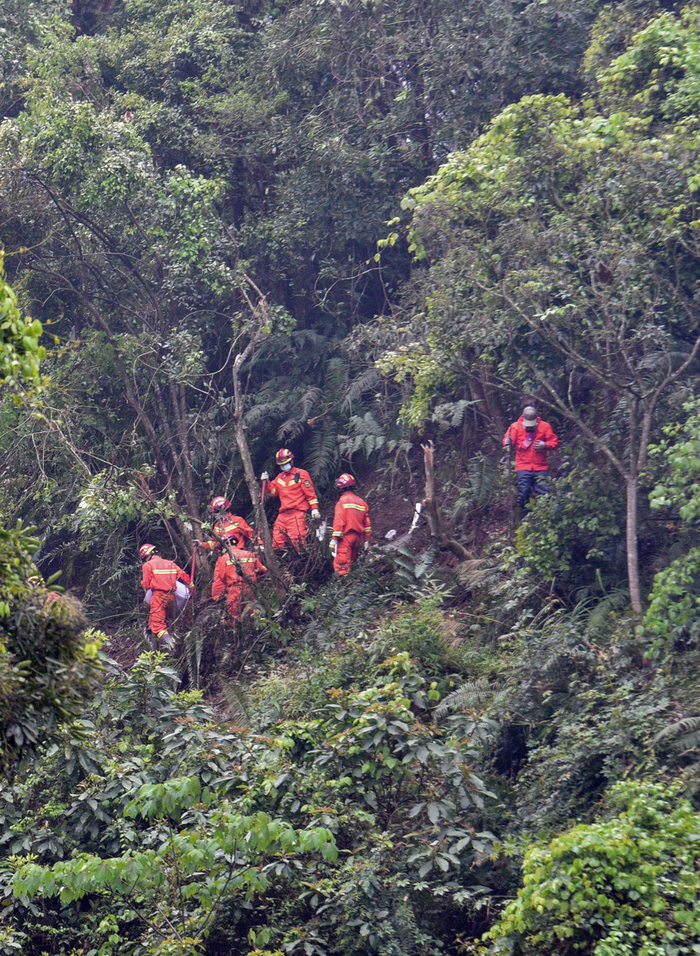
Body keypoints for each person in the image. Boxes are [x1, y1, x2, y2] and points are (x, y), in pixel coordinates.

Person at [261, 448, 320, 550]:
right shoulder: (280, 478)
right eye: (281, 465)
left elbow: (310, 493)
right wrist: (266, 483)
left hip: (297, 514)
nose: (284, 466)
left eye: (285, 463)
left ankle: (303, 562)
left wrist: (315, 508)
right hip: (283, 515)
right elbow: (273, 493)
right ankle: (279, 563)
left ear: (291, 461)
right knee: (277, 542)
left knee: (298, 541)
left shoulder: (301, 474)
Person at [503, 405, 559, 511]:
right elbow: (508, 440)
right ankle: (524, 517)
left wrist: (545, 445)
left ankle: (546, 516)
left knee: (544, 492)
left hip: (540, 466)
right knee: (523, 492)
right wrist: (507, 442)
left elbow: (554, 442)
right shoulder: (515, 427)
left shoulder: (544, 426)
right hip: (523, 466)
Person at [139, 544, 193, 648]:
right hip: (171, 597)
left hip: (158, 597)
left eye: (145, 558)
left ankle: (172, 645)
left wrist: (142, 584)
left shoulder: (148, 565)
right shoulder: (170, 563)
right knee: (155, 621)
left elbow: (146, 585)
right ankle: (154, 647)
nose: (145, 561)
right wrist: (193, 590)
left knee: (157, 625)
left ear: (148, 556)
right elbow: (185, 577)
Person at [330, 473, 371, 576]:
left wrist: (334, 539)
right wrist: (367, 540)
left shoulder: (342, 502)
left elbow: (339, 521)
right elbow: (367, 524)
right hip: (358, 539)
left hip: (346, 538)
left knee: (342, 566)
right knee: (352, 563)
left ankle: (343, 587)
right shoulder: (362, 502)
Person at [211, 546, 267, 623]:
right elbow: (262, 569)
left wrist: (218, 595)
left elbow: (221, 577)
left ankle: (234, 631)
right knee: (251, 611)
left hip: (235, 588)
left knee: (233, 614)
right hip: (250, 586)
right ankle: (252, 629)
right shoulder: (249, 554)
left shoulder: (224, 558)